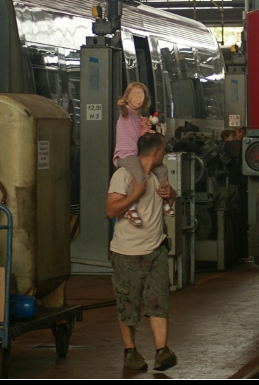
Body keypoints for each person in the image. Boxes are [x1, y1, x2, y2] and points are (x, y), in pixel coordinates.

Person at [105, 132, 178, 371]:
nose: (165, 154)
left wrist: (172, 195)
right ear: (156, 153)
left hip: (155, 250)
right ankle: (130, 351)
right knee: (128, 304)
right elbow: (110, 210)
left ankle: (161, 351)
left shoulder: (158, 176)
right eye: (164, 150)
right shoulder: (124, 176)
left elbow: (169, 199)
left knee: (159, 301)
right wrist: (135, 194)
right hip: (127, 253)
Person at [115, 82, 173, 225]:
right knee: (139, 175)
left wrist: (148, 127)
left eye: (141, 94)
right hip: (125, 155)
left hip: (137, 155)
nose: (138, 97)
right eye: (134, 94)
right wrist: (121, 104)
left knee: (162, 169)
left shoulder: (141, 119)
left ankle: (164, 200)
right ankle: (130, 205)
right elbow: (122, 110)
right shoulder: (126, 113)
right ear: (127, 98)